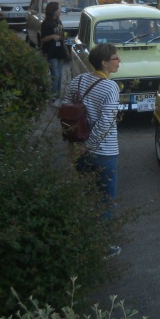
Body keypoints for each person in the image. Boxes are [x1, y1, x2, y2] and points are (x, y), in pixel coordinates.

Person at [67, 43, 122, 257]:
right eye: (116, 59)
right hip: (104, 153)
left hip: (80, 148)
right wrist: (89, 147)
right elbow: (106, 122)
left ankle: (83, 238)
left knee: (87, 195)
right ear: (104, 63)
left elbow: (66, 110)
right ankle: (102, 247)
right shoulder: (110, 87)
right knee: (105, 200)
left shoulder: (78, 81)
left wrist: (77, 146)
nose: (119, 62)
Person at [40, 1, 68, 103]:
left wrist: (66, 50)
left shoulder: (59, 22)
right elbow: (42, 39)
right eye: (59, 8)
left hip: (59, 50)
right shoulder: (46, 24)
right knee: (55, 75)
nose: (61, 10)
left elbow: (62, 38)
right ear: (54, 10)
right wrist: (52, 37)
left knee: (60, 75)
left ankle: (57, 95)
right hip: (51, 51)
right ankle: (53, 97)